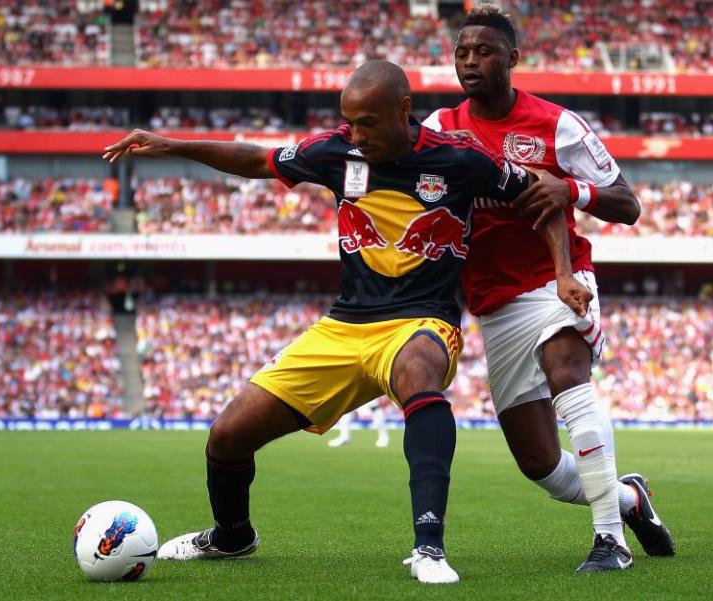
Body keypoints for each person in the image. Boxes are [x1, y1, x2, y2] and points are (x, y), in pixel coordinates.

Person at [103, 59, 589, 584]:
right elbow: (256, 159)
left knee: (419, 376)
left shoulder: (460, 157)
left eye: (367, 123)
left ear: (404, 110)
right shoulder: (336, 151)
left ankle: (429, 547)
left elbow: (543, 197)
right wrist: (174, 145)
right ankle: (231, 536)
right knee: (225, 437)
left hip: (421, 322)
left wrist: (563, 273)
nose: (356, 134)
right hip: (343, 327)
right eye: (349, 122)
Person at [422, 3, 675, 572]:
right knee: (540, 465)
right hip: (493, 301)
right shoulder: (440, 128)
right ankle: (630, 498)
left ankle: (610, 539)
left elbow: (628, 204)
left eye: (483, 51)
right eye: (462, 52)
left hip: (556, 281)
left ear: (512, 59)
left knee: (567, 370)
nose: (469, 61)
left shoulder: (557, 125)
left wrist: (572, 190)